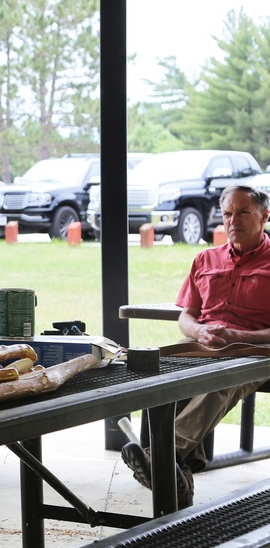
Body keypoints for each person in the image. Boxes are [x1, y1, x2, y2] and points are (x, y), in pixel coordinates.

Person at [122, 184, 270, 507]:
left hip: (255, 350)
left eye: (243, 212)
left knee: (220, 381)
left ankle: (162, 456)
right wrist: (200, 331)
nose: (233, 221)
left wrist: (235, 336)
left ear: (264, 216)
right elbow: (185, 316)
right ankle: (179, 481)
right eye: (228, 213)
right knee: (159, 371)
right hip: (202, 342)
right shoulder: (206, 258)